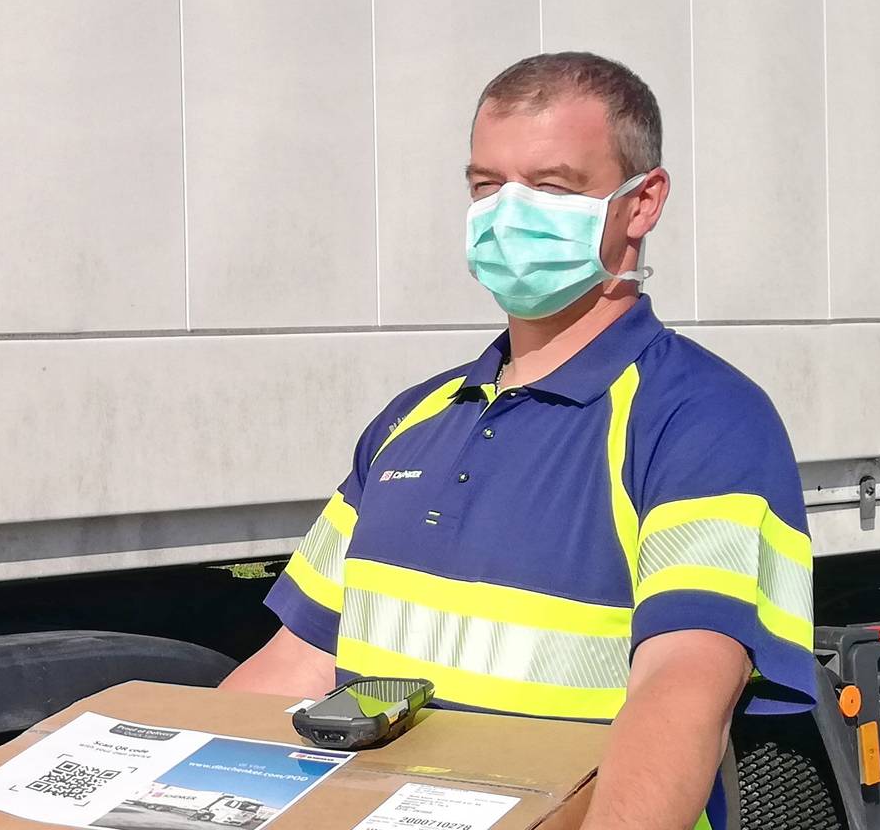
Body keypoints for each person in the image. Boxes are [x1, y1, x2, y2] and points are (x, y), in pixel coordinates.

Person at [222, 52, 813, 830]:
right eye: (486, 185)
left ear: (642, 203)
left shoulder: (701, 418)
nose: (509, 213)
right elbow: (296, 666)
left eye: (553, 186)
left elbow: (681, 693)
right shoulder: (412, 421)